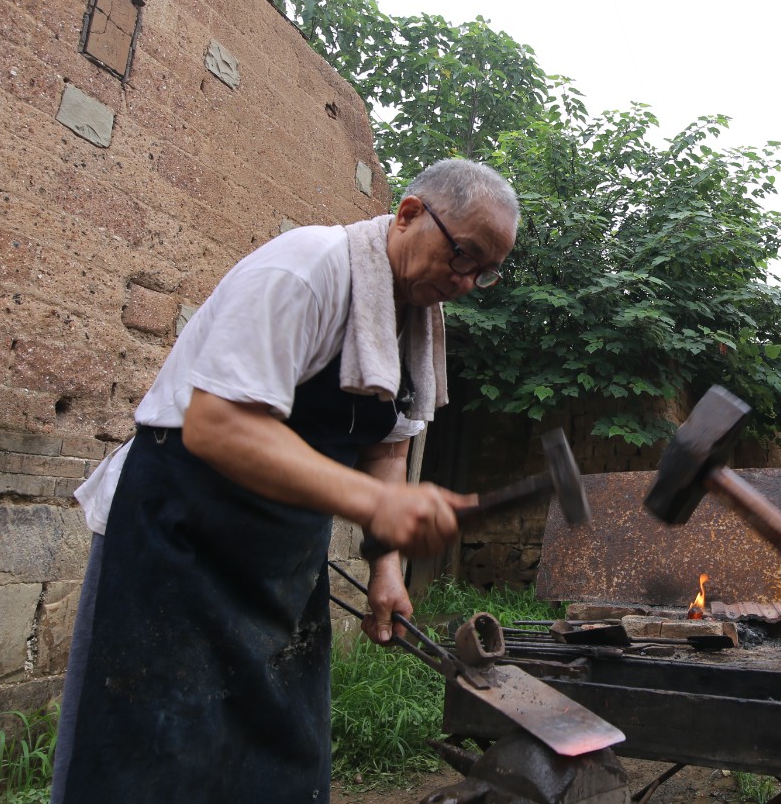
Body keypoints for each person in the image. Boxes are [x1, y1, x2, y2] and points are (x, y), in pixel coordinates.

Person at [51, 158, 520, 803]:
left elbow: (388, 439)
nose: (465, 281)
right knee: (147, 760)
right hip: (176, 543)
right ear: (410, 213)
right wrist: (376, 501)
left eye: (483, 272)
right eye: (462, 255)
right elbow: (217, 426)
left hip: (279, 568)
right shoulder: (307, 269)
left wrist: (385, 568)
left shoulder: (414, 315)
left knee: (279, 764)